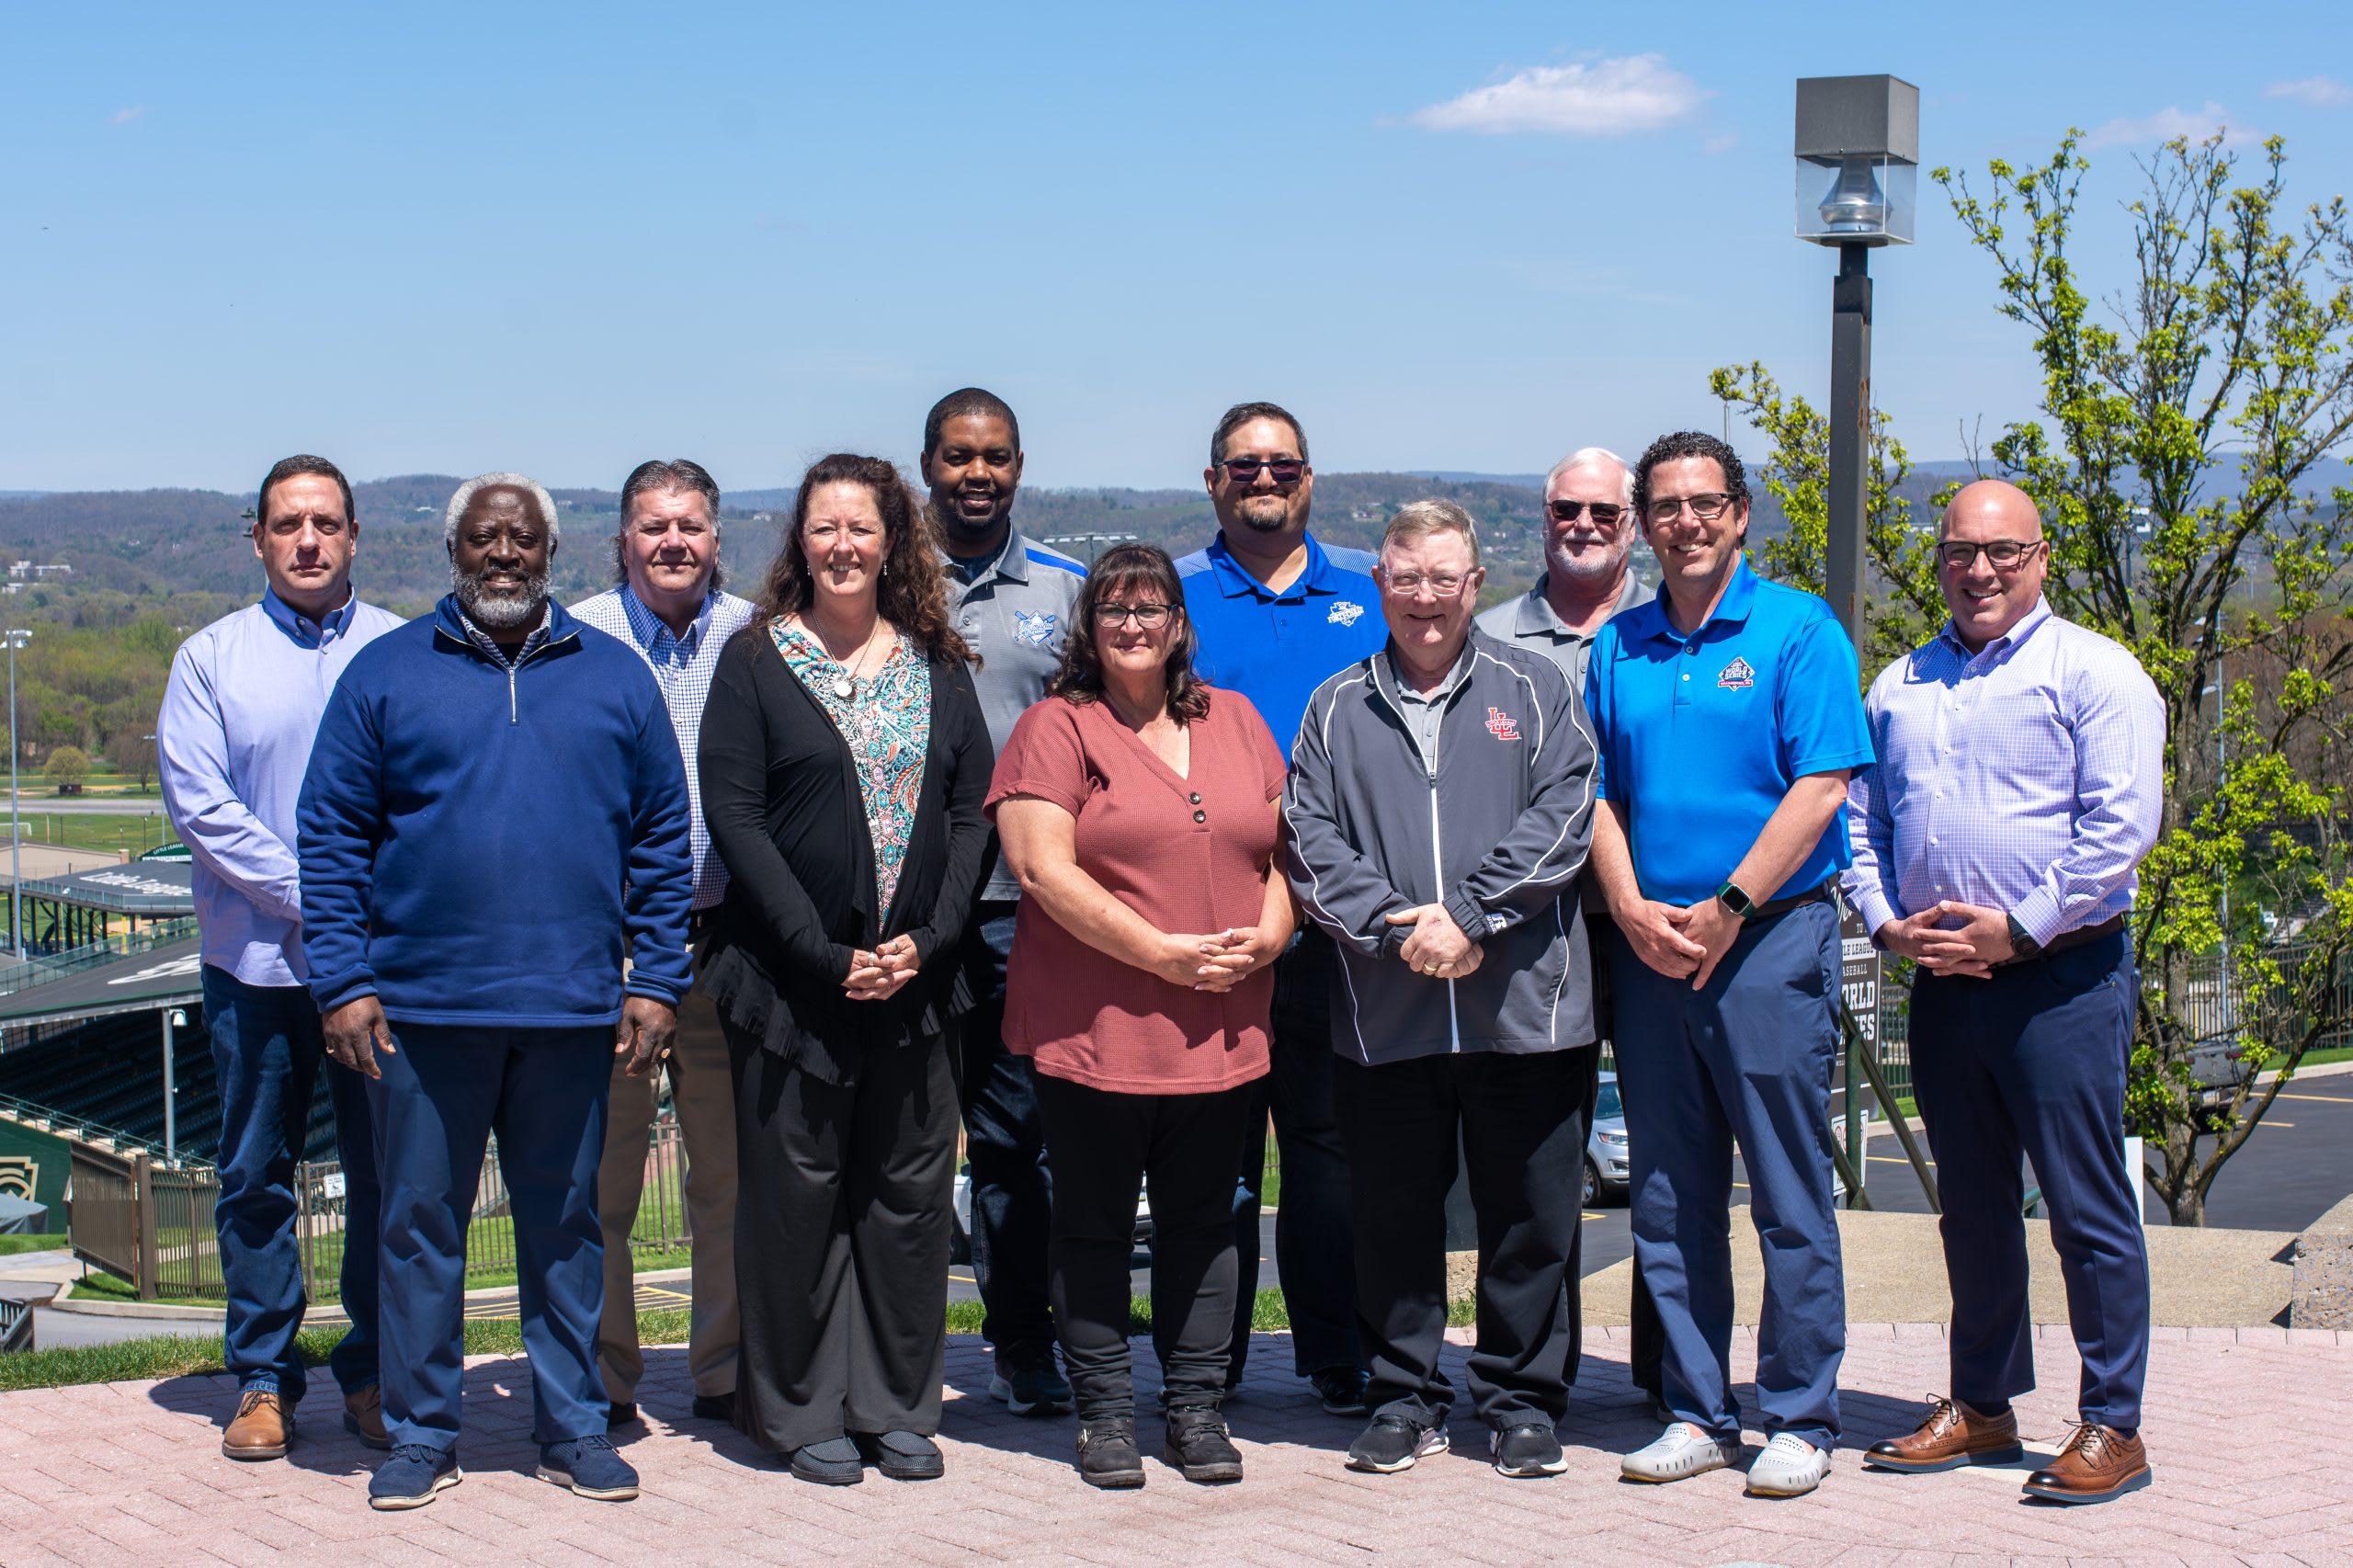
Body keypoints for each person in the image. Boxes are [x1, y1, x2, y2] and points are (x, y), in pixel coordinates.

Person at [301, 472, 693, 1511]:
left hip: (572, 1013)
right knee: (417, 1226)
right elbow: (330, 837)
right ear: (454, 550)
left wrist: (657, 976)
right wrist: (341, 980)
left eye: (522, 538)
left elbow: (662, 838)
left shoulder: (612, 676)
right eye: (485, 538)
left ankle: (571, 1425)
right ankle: (422, 1430)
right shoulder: (384, 675)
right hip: (422, 1013)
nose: (504, 553)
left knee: (565, 1223)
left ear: (552, 552)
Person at [1846, 480, 2164, 1504]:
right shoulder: (1900, 683)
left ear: (2039, 556)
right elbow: (1861, 822)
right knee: (1970, 1208)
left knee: (2085, 1208)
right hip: (1943, 981)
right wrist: (1885, 918)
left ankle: (2113, 1421)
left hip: (2058, 977)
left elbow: (2118, 830)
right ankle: (1981, 1404)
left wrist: (2019, 925)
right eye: (1957, 551)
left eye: (2000, 551)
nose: (1977, 570)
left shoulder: (2096, 672)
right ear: (1937, 559)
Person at [1585, 431, 1873, 1500]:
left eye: (1706, 502)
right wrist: (1625, 903)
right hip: (1652, 943)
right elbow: (1597, 793)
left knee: (1789, 1188)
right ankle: (1697, 1409)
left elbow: (1822, 785)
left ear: (1741, 513)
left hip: (1765, 940)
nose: (1686, 521)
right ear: (1643, 523)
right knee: (1666, 1192)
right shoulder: (1619, 643)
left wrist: (1729, 906)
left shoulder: (1799, 629)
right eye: (1664, 505)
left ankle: (1797, 1411)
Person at [1287, 500, 1597, 1479]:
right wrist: (1396, 924)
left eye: (1444, 577)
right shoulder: (1335, 704)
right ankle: (1404, 1393)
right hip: (1388, 1008)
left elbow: (1568, 808)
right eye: (1406, 577)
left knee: (1530, 1218)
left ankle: (1519, 1398)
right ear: (1380, 584)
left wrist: (1468, 912)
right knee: (1392, 1216)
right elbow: (1307, 836)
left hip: (1526, 1006)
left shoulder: (1535, 687)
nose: (1424, 597)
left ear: (1475, 586)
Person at [698, 453, 992, 1486]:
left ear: (891, 539)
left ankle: (894, 1401)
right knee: (795, 1195)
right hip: (789, 987)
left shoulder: (935, 662)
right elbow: (735, 818)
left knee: (906, 1197)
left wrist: (930, 939)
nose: (842, 545)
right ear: (800, 541)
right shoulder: (754, 662)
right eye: (823, 527)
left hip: (918, 986)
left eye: (860, 527)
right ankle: (796, 1404)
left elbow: (968, 815)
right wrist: (822, 954)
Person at [990, 543, 1288, 1490]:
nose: (1132, 623)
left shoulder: (1237, 720)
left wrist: (1272, 938)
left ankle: (1196, 1409)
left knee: (1208, 1222)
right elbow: (1042, 869)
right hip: (1097, 1026)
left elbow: (1286, 854)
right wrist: (1160, 953)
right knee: (1092, 1225)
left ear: (1178, 623)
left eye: (1150, 606)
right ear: (1088, 624)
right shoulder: (1054, 726)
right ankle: (1106, 1414)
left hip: (1223, 1025)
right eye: (1113, 608)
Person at [157, 454, 403, 1461]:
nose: (307, 539)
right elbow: (203, 810)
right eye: (287, 523)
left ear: (353, 537)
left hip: (381, 971)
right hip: (254, 967)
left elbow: (429, 797)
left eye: (326, 522)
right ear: (257, 540)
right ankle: (263, 1372)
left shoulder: (403, 648)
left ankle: (377, 1367)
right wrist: (322, 895)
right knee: (257, 1173)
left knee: (386, 1175)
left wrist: (362, 910)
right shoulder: (209, 658)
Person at [1176, 400, 1382, 1413]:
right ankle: (1206, 1359)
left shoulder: (1373, 590)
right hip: (1210, 924)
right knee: (1214, 1154)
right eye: (1244, 465)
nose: (1264, 479)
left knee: (1324, 1148)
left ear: (1310, 477)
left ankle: (1333, 1347)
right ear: (1212, 480)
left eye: (1283, 464)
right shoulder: (1167, 598)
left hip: (1340, 923)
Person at [1473, 445, 1665, 1417]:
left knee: (1671, 1153)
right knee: (1538, 1162)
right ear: (1543, 515)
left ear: (1630, 522)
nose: (1582, 524)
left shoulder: (1666, 627)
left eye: (1602, 510)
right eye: (1565, 508)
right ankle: (1530, 1376)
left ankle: (1671, 1371)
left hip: (1654, 927)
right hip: (1532, 931)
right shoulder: (1490, 633)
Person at [572, 460, 759, 1430]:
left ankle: (722, 1368)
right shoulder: (575, 636)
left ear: (717, 538)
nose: (672, 542)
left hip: (726, 944)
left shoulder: (758, 633)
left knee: (724, 1176)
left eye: (689, 524)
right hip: (609, 951)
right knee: (601, 1181)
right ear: (623, 539)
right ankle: (608, 1378)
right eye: (653, 526)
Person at [924, 388, 1086, 1417]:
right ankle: (889, 1351)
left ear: (1018, 465)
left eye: (993, 457)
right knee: (895, 1139)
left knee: (1015, 1140)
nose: (976, 473)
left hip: (1021, 909)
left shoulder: (1067, 591)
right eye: (956, 456)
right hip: (903, 911)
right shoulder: (884, 584)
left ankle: (1024, 1343)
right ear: (927, 465)